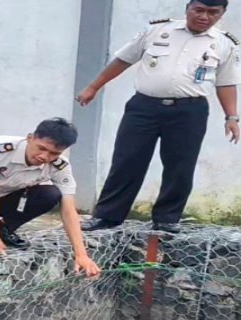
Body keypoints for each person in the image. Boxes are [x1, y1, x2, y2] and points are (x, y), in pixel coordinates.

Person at [77, 0, 241, 234]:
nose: (204, 16)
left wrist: (231, 117)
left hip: (189, 111)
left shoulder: (225, 44)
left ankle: (167, 218)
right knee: (127, 159)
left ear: (222, 14)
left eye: (213, 12)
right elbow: (123, 60)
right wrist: (93, 87)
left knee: (180, 165)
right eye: (199, 10)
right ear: (188, 8)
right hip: (144, 107)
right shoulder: (158, 31)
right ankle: (107, 215)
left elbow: (226, 83)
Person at [0, 118, 101, 276]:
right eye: (41, 148)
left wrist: (81, 255)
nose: (45, 157)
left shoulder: (60, 166)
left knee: (50, 194)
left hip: (11, 197)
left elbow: (69, 210)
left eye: (54, 153)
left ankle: (4, 228)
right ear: (30, 137)